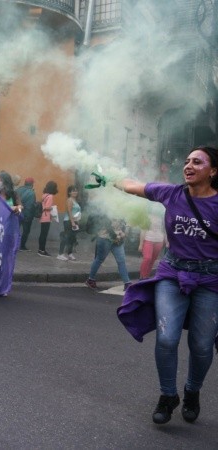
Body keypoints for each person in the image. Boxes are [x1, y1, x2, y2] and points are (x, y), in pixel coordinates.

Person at [116, 146, 218, 425]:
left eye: (198, 162)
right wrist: (111, 179)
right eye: (187, 161)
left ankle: (192, 391)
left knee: (201, 345)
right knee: (167, 338)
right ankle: (168, 395)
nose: (189, 165)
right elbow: (133, 186)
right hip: (173, 274)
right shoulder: (171, 193)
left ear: (213, 171)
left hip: (210, 280)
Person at [138, 202, 166, 279]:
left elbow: (164, 230)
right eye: (154, 206)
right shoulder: (147, 217)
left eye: (158, 206)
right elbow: (143, 230)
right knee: (147, 258)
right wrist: (141, 244)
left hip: (159, 240)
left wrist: (166, 241)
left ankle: (146, 276)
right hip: (148, 239)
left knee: (153, 260)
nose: (156, 208)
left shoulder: (162, 217)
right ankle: (142, 277)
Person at [57, 185, 81, 261]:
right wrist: (73, 222)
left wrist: (77, 221)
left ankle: (70, 254)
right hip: (68, 221)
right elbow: (69, 211)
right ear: (69, 192)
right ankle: (60, 254)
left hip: (75, 221)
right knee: (66, 238)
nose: (75, 192)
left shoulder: (75, 201)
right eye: (73, 191)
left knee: (72, 239)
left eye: (76, 190)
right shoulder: (69, 200)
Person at [37, 181, 58, 256]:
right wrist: (52, 208)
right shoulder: (50, 196)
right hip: (46, 217)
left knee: (42, 234)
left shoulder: (44, 195)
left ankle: (40, 249)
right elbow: (47, 207)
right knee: (44, 234)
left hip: (43, 216)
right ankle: (42, 250)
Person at [16, 177, 37, 251]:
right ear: (32, 184)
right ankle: (22, 246)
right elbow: (32, 205)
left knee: (16, 229)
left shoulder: (18, 189)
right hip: (27, 215)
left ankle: (14, 245)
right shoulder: (31, 192)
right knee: (26, 231)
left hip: (17, 213)